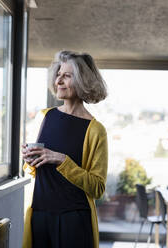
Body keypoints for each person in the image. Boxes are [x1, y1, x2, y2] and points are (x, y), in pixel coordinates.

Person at [21, 50, 108, 248]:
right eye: (58, 74)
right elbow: (34, 170)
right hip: (39, 215)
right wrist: (28, 160)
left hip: (74, 221)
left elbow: (97, 188)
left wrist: (62, 160)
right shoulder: (43, 117)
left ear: (83, 81)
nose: (58, 80)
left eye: (67, 76)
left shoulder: (95, 130)